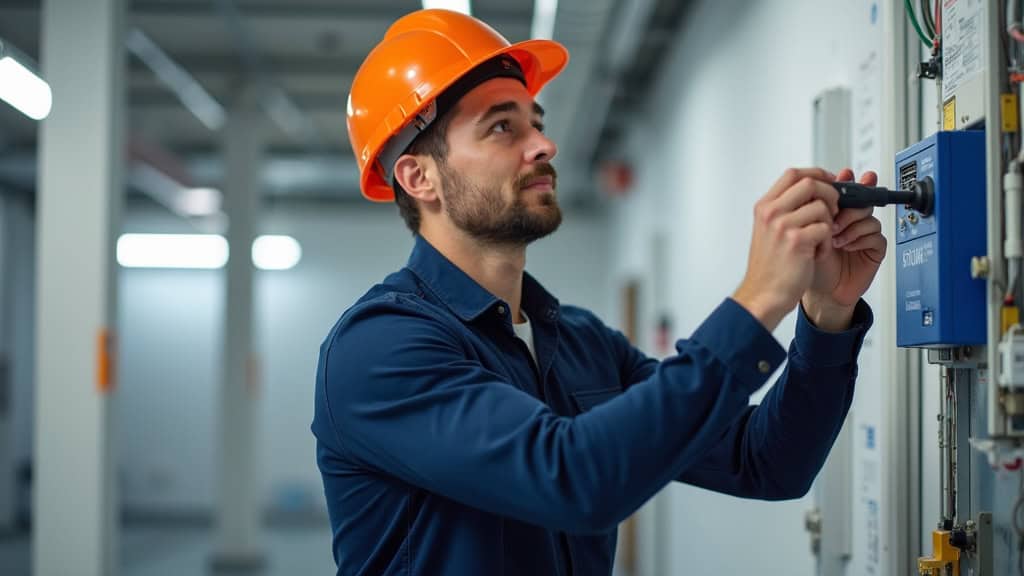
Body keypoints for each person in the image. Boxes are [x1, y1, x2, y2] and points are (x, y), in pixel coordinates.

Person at [312, 8, 885, 575]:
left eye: (536, 123)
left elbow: (765, 461)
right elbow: (572, 480)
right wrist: (758, 300)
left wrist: (826, 315)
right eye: (502, 127)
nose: (543, 145)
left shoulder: (581, 342)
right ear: (419, 177)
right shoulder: (378, 348)